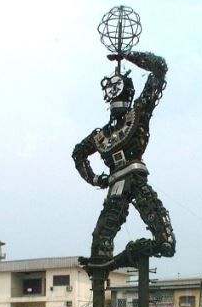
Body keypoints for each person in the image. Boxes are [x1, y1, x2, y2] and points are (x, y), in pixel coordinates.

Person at [72, 51, 176, 278]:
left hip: (135, 179)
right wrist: (97, 179)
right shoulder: (102, 135)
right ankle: (105, 270)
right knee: (99, 250)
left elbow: (159, 67)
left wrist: (127, 56)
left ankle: (120, 260)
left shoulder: (138, 113)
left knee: (165, 242)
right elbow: (78, 154)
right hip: (115, 187)